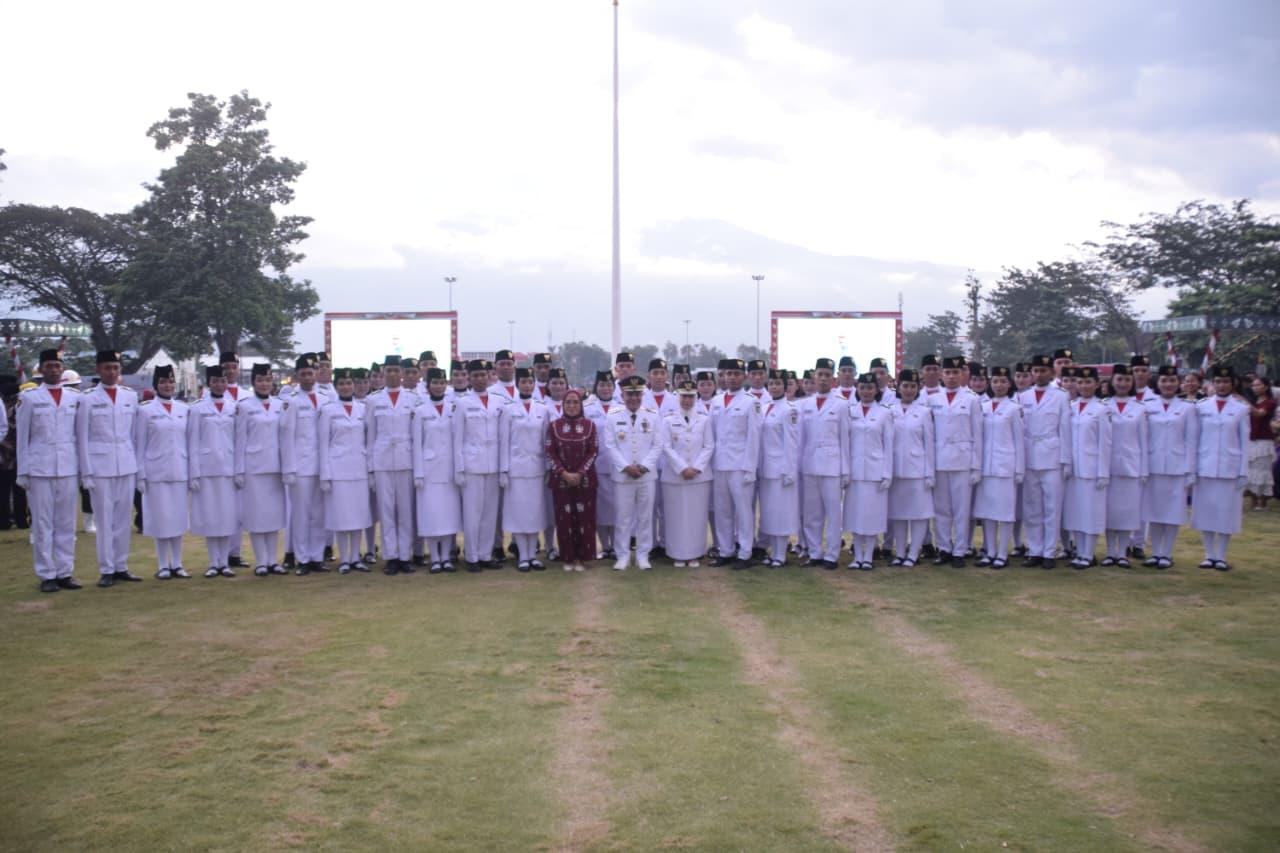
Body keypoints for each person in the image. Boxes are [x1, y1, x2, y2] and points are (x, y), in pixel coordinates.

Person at [16, 350, 82, 592]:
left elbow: (78, 435)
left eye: (58, 366)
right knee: (43, 524)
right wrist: (22, 472)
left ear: (62, 369)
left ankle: (65, 572)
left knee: (66, 523)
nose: (54, 370)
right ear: (41, 370)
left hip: (67, 466)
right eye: (50, 366)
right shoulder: (30, 398)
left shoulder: (74, 397)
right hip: (39, 468)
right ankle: (47, 574)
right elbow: (23, 437)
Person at [76, 350, 142, 587]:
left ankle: (122, 565)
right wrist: (86, 472)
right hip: (100, 465)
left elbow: (134, 435)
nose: (112, 372)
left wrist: (137, 467)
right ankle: (106, 568)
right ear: (98, 370)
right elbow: (82, 437)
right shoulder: (87, 398)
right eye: (107, 368)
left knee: (123, 519)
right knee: (104, 520)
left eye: (115, 368)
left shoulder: (129, 396)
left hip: (125, 464)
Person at [601, 375, 666, 570]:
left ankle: (643, 555)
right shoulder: (613, 416)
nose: (634, 398)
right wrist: (626, 467)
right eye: (630, 394)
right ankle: (622, 555)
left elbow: (658, 445)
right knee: (623, 517)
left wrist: (644, 466)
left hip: (646, 475)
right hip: (623, 476)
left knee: (645, 517)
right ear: (622, 394)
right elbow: (610, 446)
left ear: (642, 394)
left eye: (637, 394)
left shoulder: (652, 415)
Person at [133, 365, 190, 579]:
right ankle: (162, 564)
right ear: (156, 385)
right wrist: (140, 473)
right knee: (160, 519)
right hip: (155, 471)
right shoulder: (145, 410)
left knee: (177, 519)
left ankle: (177, 563)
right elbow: (140, 443)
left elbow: (188, 443)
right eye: (163, 382)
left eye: (171, 382)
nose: (167, 386)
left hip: (179, 469)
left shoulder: (184, 410)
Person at [1192, 365, 1250, 570]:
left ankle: (1221, 555)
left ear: (1232, 384)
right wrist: (1192, 469)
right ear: (1212, 383)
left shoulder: (1241, 409)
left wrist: (1243, 471)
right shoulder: (1201, 407)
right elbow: (1194, 439)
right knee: (1206, 512)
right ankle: (1208, 554)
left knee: (1227, 513)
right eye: (1218, 381)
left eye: (1226, 381)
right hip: (1205, 465)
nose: (1222, 385)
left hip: (1229, 468)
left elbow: (1244, 442)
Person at [1017, 354, 1072, 569]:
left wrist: (1066, 460)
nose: (1039, 374)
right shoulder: (1024, 396)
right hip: (1030, 456)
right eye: (1036, 370)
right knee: (1032, 507)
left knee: (1052, 507)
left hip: (1052, 456)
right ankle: (1035, 549)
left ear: (1051, 372)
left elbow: (1065, 429)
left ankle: (1050, 551)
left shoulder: (1061, 396)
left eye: (1044, 370)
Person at [927, 356, 982, 567]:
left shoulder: (971, 399)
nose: (951, 377)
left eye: (955, 373)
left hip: (962, 460)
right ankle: (944, 548)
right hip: (940, 461)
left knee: (962, 509)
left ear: (962, 375)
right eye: (948, 373)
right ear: (941, 374)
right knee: (941, 509)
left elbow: (978, 435)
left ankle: (960, 549)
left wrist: (976, 466)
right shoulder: (933, 400)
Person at [366, 355, 419, 575]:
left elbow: (417, 436)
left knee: (405, 511)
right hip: (383, 461)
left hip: (406, 460)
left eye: (397, 370)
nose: (393, 374)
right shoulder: (373, 400)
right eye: (389, 370)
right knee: (386, 511)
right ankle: (391, 556)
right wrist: (370, 468)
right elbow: (370, 436)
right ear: (383, 372)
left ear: (403, 373)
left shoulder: (413, 399)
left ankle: (405, 556)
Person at [1142, 365, 1198, 569]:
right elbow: (1143, 438)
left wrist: (1190, 470)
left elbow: (1191, 441)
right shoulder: (1147, 405)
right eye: (1164, 381)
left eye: (1172, 381)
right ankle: (1155, 552)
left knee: (1173, 512)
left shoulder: (1187, 408)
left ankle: (1167, 553)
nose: (1168, 385)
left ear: (1179, 383)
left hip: (1177, 466)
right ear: (1157, 383)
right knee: (1154, 512)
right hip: (1153, 465)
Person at [318, 368, 374, 573]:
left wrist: (370, 471)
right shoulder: (328, 410)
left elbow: (368, 442)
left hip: (358, 468)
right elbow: (323, 443)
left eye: (349, 383)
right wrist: (325, 474)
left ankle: (355, 557)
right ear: (336, 386)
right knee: (341, 516)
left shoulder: (362, 409)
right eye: (341, 383)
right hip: (338, 469)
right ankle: (344, 559)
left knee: (359, 515)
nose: (346, 387)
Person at [235, 363, 287, 575]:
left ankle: (273, 560)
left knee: (274, 516)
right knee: (257, 515)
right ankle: (261, 561)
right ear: (253, 382)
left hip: (275, 466)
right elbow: (240, 440)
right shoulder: (244, 406)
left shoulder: (280, 405)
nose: (264, 384)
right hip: (253, 467)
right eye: (260, 380)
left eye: (268, 380)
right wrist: (239, 470)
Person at [710, 358, 762, 569]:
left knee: (743, 511)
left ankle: (745, 552)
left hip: (740, 465)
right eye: (728, 374)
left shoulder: (751, 402)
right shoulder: (716, 401)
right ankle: (726, 550)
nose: (731, 377)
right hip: (720, 464)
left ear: (744, 377)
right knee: (722, 510)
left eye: (736, 374)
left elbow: (754, 437)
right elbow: (712, 435)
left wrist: (750, 467)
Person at [281, 354, 330, 575]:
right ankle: (301, 558)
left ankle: (316, 556)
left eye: (311, 373)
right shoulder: (290, 401)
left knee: (319, 514)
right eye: (304, 374)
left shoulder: (326, 399)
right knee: (300, 514)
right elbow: (286, 436)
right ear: (297, 377)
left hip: (321, 466)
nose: (308, 377)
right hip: (300, 467)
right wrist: (289, 468)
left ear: (316, 374)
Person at [188, 365, 238, 577]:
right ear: (209, 383)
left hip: (228, 467)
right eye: (216, 381)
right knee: (211, 515)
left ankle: (224, 561)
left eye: (223, 380)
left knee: (226, 515)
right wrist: (194, 472)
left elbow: (238, 440)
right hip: (207, 468)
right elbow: (192, 441)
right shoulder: (198, 408)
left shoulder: (234, 407)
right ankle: (213, 561)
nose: (220, 384)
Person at [797, 358, 848, 568]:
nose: (824, 378)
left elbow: (845, 440)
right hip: (809, 465)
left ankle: (832, 555)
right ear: (814, 377)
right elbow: (801, 439)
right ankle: (815, 552)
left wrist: (846, 471)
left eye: (828, 374)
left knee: (833, 514)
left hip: (832, 466)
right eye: (820, 374)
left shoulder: (842, 404)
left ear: (834, 378)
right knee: (812, 514)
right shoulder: (805, 405)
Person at [454, 359, 503, 570]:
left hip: (493, 463)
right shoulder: (462, 402)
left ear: (489, 376)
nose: (480, 379)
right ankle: (472, 556)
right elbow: (457, 438)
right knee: (472, 514)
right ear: (469, 378)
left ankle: (485, 554)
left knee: (490, 513)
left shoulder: (498, 401)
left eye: (483, 375)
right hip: (472, 464)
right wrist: (459, 468)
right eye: (475, 376)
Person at [973, 367, 1024, 569]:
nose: (999, 385)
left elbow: (1019, 441)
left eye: (1003, 381)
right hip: (986, 467)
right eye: (995, 381)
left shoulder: (1013, 408)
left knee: (1005, 513)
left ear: (1009, 384)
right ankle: (990, 551)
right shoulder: (982, 407)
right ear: (989, 383)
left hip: (1005, 467)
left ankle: (1003, 552)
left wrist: (1019, 469)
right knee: (987, 513)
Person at [659, 380, 714, 567]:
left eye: (691, 396)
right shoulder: (668, 420)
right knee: (675, 516)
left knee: (696, 516)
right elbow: (665, 446)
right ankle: (677, 553)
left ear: (696, 397)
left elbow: (709, 446)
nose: (687, 400)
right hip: (674, 476)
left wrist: (696, 468)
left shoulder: (705, 419)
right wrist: (682, 468)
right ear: (677, 397)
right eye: (684, 396)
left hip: (699, 476)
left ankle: (695, 553)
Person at [500, 367, 551, 571]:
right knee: (519, 513)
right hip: (516, 469)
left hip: (536, 468)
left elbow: (546, 441)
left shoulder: (542, 409)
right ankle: (522, 555)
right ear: (517, 384)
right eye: (524, 382)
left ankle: (532, 555)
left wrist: (547, 467)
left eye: (530, 382)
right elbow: (504, 440)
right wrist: (503, 469)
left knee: (534, 513)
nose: (528, 385)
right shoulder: (508, 409)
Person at [843, 373, 893, 569]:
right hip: (855, 470)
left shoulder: (884, 413)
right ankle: (857, 556)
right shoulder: (850, 411)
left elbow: (888, 445)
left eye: (870, 388)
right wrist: (844, 470)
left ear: (876, 390)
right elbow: (845, 443)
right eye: (862, 387)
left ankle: (869, 556)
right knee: (855, 514)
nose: (866, 391)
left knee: (872, 515)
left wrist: (887, 473)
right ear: (858, 389)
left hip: (875, 471)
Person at [1063, 367, 1111, 569]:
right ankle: (1079, 551)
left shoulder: (1102, 409)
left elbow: (1105, 443)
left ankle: (1089, 553)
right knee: (1076, 512)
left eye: (1088, 382)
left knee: (1091, 512)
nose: (1083, 386)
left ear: (1097, 384)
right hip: (1073, 470)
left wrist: (1103, 472)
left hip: (1092, 469)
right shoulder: (1070, 407)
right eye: (1080, 383)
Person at [1101, 365, 1148, 567]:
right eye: (1119, 379)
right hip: (1107, 466)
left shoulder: (1140, 408)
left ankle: (1122, 552)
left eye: (1127, 380)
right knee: (1109, 512)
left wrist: (1143, 469)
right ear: (1112, 381)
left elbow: (1144, 441)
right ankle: (1110, 551)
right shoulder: (1103, 406)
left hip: (1130, 466)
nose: (1122, 384)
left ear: (1132, 383)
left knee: (1127, 512)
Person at [547, 389, 599, 571]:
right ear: (563, 405)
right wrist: (563, 473)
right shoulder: (554, 426)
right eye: (568, 402)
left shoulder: (590, 425)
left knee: (584, 518)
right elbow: (550, 452)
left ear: (581, 404)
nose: (571, 406)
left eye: (575, 402)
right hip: (561, 480)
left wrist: (579, 473)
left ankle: (581, 558)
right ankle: (567, 557)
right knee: (565, 519)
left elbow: (593, 451)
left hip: (584, 480)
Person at [888, 369, 933, 567]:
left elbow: (929, 445)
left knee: (918, 514)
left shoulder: (924, 412)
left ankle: (914, 552)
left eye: (913, 386)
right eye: (905, 386)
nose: (908, 390)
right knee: (898, 514)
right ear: (898, 387)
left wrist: (929, 473)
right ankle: (899, 552)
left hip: (917, 470)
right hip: (895, 469)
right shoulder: (889, 410)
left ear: (918, 388)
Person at [757, 370, 799, 567]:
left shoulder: (789, 410)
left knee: (781, 512)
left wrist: (789, 470)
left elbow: (791, 443)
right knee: (769, 512)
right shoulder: (764, 407)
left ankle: (781, 554)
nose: (774, 387)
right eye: (771, 383)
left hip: (781, 468)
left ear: (785, 386)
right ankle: (772, 550)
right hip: (765, 468)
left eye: (778, 383)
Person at [583, 371, 620, 559]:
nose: (605, 388)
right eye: (602, 385)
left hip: (617, 467)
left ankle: (615, 545)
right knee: (598, 509)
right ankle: (604, 546)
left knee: (615, 508)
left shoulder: (621, 408)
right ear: (596, 387)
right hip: (595, 466)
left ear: (614, 387)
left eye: (609, 385)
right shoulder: (588, 408)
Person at [1246, 375, 1276, 509]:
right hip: (1251, 438)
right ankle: (1253, 500)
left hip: (1264, 440)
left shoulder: (1270, 402)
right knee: (1250, 470)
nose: (1255, 388)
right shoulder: (1252, 401)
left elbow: (1259, 414)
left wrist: (1244, 402)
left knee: (1263, 470)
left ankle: (1262, 500)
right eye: (1253, 385)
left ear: (1266, 386)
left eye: (1258, 385)